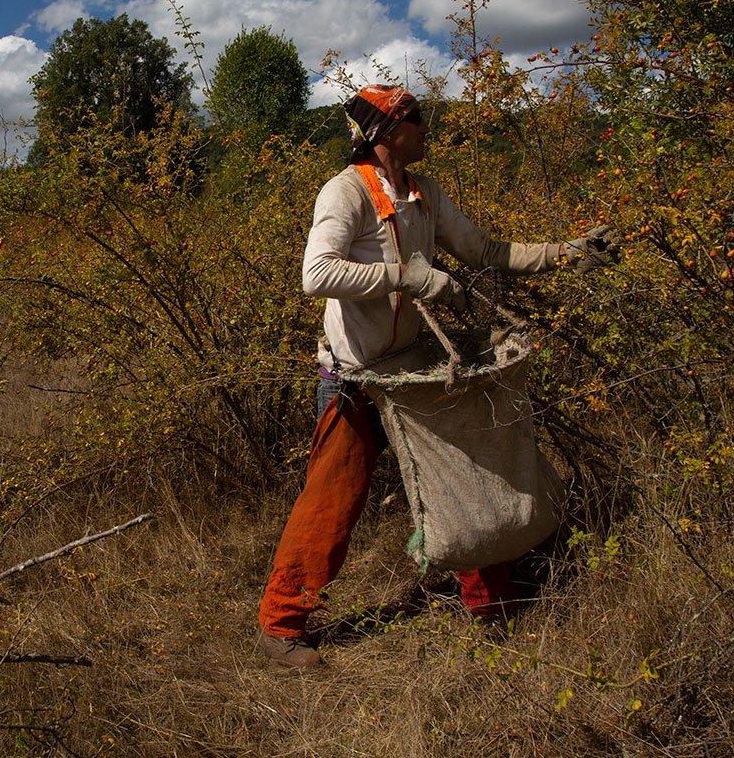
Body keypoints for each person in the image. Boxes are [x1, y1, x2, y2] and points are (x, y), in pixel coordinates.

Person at [256, 84, 616, 669]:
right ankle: (280, 627)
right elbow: (315, 274)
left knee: (464, 478)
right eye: (415, 118)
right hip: (355, 378)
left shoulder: (425, 195)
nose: (426, 127)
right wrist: (410, 277)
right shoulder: (345, 191)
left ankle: (493, 609)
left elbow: (488, 251)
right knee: (333, 501)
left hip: (412, 373)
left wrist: (568, 254)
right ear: (385, 132)